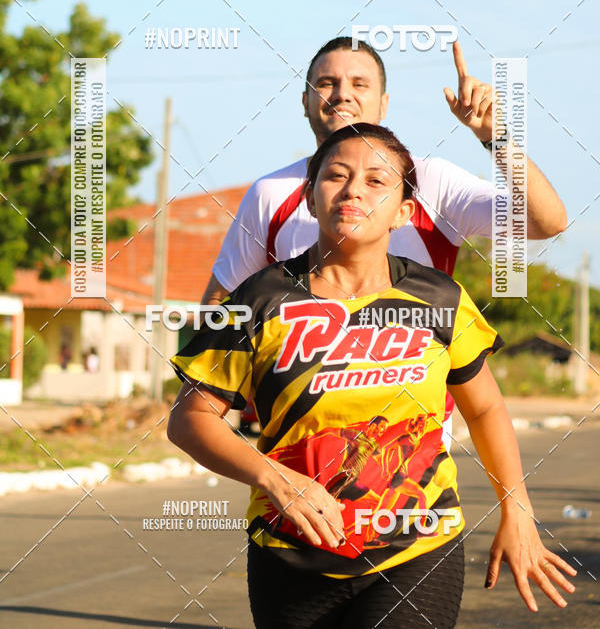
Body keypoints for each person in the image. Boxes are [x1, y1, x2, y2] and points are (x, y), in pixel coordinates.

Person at [168, 123, 576, 629]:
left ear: (405, 212)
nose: (354, 189)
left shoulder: (440, 299)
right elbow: (189, 420)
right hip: (290, 554)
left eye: (377, 181)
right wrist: (276, 480)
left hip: (418, 548)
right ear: (311, 201)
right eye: (336, 176)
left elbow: (486, 407)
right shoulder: (258, 299)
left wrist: (517, 511)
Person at [201, 36, 567, 446]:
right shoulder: (271, 193)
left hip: (413, 459)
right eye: (326, 82)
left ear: (384, 103)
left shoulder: (431, 183)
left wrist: (495, 138)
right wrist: (262, 387)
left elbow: (546, 221)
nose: (342, 93)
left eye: (360, 83)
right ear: (305, 101)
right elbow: (220, 305)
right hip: (297, 458)